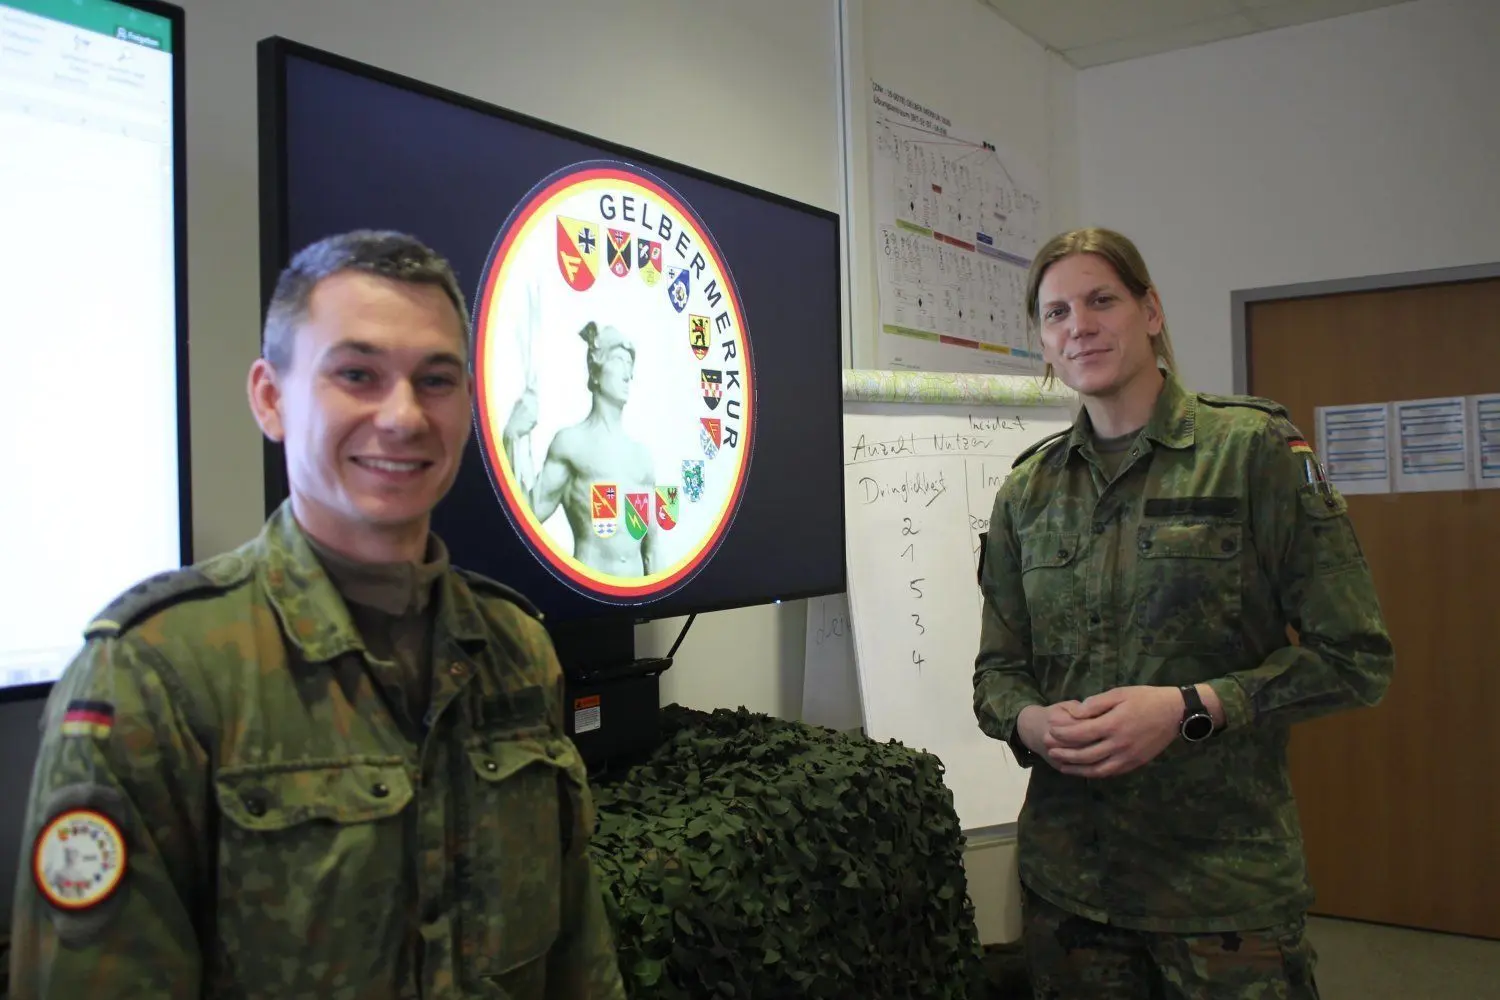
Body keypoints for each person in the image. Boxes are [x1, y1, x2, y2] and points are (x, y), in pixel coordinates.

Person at [9, 231, 628, 999]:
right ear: (271, 398)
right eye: (357, 374)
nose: (403, 416)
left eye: (436, 380)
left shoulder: (515, 647)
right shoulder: (154, 674)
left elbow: (577, 960)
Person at [972, 227, 1395, 999]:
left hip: (1222, 897)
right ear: (1042, 339)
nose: (1081, 327)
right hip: (1070, 896)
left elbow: (1356, 658)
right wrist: (1029, 724)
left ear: (1151, 311)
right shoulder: (1027, 494)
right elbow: (998, 676)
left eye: (1102, 300)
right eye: (1057, 313)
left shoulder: (1254, 451)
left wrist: (1189, 709)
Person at [503, 287, 656, 578]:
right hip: (588, 595)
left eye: (630, 364)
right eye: (618, 361)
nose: (628, 374)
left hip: (637, 595)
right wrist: (512, 438)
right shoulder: (571, 443)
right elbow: (528, 516)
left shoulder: (641, 457)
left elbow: (652, 550)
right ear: (595, 372)